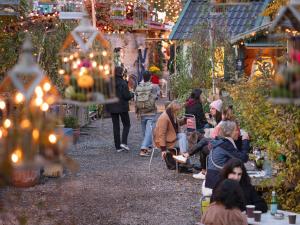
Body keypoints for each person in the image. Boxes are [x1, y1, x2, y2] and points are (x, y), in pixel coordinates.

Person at [204, 120, 249, 195]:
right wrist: (245, 141)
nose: (238, 132)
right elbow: (243, 158)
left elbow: (237, 154)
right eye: (236, 130)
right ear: (230, 132)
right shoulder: (225, 145)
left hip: (212, 178)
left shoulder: (221, 142)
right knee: (245, 184)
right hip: (217, 181)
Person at [154, 100, 189, 170]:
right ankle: (184, 160)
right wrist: (163, 149)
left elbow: (176, 123)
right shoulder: (164, 117)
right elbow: (161, 134)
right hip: (165, 142)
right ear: (174, 109)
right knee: (184, 141)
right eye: (178, 110)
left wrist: (185, 120)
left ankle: (183, 157)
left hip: (171, 137)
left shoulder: (171, 114)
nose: (179, 112)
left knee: (183, 136)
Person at [106, 66, 134, 152]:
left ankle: (117, 147)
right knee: (127, 124)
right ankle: (124, 142)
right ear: (122, 73)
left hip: (112, 107)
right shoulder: (123, 83)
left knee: (116, 126)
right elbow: (126, 96)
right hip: (122, 107)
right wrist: (132, 94)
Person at [135, 70, 158, 157]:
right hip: (151, 111)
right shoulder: (153, 86)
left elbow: (136, 99)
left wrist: (136, 111)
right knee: (149, 131)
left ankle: (147, 148)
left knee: (144, 131)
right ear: (150, 77)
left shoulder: (138, 87)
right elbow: (156, 97)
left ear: (142, 77)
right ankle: (144, 148)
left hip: (142, 111)